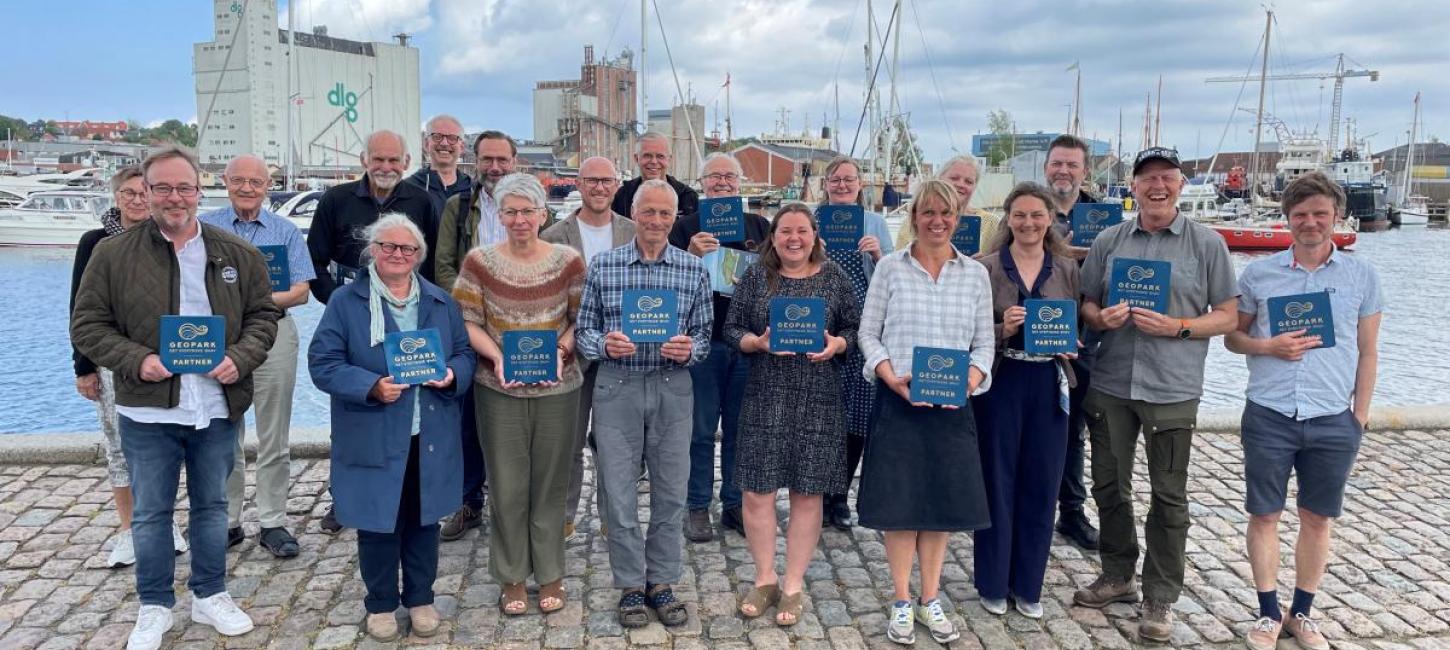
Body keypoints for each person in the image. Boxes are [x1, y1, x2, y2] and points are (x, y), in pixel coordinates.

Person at [71, 145, 280, 650]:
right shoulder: (112, 254)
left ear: (197, 190)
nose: (173, 197)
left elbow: (263, 318)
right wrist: (136, 359)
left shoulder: (237, 253)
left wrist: (241, 357)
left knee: (211, 507)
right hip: (146, 406)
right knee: (149, 513)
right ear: (146, 192)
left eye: (183, 187)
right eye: (161, 188)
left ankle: (209, 594)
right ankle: (155, 605)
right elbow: (87, 324)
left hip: (215, 403)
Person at [1072, 147, 1239, 643]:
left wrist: (1180, 327)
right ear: (1133, 186)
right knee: (1107, 484)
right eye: (1147, 179)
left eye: (1166, 177)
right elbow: (1086, 301)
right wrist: (1099, 318)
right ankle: (1118, 573)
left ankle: (1160, 594)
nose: (1157, 186)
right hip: (1111, 382)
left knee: (1169, 495)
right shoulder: (1108, 239)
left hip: (1173, 387)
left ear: (1181, 184)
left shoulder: (1207, 244)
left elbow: (1228, 315)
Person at [1226, 172, 1382, 650]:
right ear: (1287, 219)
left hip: (1333, 416)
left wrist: (1359, 416)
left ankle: (1304, 612)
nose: (1310, 223)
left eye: (1319, 214)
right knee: (1265, 514)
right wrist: (1267, 345)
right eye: (1300, 215)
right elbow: (1234, 339)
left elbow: (1369, 350)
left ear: (1336, 216)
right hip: (1271, 411)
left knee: (1317, 518)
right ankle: (1268, 611)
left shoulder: (1362, 275)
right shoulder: (1259, 274)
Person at [307, 214, 476, 642]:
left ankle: (420, 597)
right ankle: (380, 603)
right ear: (372, 251)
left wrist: (451, 376)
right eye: (388, 247)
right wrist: (370, 386)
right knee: (377, 523)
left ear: (419, 256)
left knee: (423, 523)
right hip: (374, 429)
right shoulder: (346, 302)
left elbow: (463, 356)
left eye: (407, 249)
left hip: (429, 431)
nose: (398, 255)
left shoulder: (440, 302)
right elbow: (323, 364)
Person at [856, 179, 993, 645]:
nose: (937, 221)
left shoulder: (974, 274)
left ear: (958, 218)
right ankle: (900, 599)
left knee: (939, 506)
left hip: (952, 407)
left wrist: (971, 381)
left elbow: (984, 345)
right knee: (901, 506)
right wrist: (890, 374)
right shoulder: (890, 269)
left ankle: (929, 597)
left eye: (946, 213)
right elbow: (867, 334)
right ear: (914, 216)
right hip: (899, 402)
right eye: (928, 212)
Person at [576, 179, 712, 628]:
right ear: (633, 213)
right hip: (619, 386)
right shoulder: (605, 265)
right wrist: (604, 344)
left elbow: (705, 337)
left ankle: (663, 582)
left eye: (665, 214)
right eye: (648, 212)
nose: (656, 221)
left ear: (675, 218)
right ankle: (631, 585)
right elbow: (584, 331)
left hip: (673, 386)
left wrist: (688, 350)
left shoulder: (693, 270)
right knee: (617, 492)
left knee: (672, 491)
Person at [452, 173, 587, 615]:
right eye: (510, 211)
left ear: (543, 213)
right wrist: (497, 358)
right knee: (507, 485)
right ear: (500, 216)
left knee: (551, 483)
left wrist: (561, 353)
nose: (520, 219)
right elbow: (468, 320)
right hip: (499, 390)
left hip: (557, 388)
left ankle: (549, 572)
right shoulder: (479, 262)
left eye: (528, 210)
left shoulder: (568, 260)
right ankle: (511, 575)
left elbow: (580, 319)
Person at [724, 203, 860, 626]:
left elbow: (856, 331)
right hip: (766, 393)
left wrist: (837, 345)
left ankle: (794, 583)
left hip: (818, 396)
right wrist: (756, 343)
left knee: (807, 492)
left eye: (802, 231)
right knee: (756, 493)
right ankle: (765, 577)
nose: (794, 238)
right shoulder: (755, 277)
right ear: (774, 236)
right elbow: (731, 329)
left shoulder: (835, 279)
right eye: (786, 231)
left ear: (815, 236)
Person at [307, 129, 439, 534]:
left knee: (406, 406)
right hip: (353, 313)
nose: (386, 168)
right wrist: (342, 306)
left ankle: (408, 491)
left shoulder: (421, 200)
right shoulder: (335, 200)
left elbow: (431, 263)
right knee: (353, 407)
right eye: (378, 160)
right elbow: (314, 261)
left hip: (406, 315)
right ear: (364, 160)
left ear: (406, 163)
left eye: (393, 161)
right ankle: (343, 498)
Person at [971, 182, 1081, 619]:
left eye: (1038, 215)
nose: (1029, 223)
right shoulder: (986, 268)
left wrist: (1071, 342)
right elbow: (973, 333)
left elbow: (1080, 327)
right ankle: (993, 581)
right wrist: (1004, 328)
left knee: (1042, 483)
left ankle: (1028, 584)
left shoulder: (1068, 268)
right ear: (1008, 219)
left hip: (1049, 382)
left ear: (1051, 219)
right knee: (997, 481)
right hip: (1002, 380)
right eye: (1020, 215)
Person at [70, 166, 188, 568]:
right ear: (116, 195)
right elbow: (80, 309)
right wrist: (82, 366)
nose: (137, 200)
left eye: (144, 192)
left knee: (162, 442)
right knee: (119, 445)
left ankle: (163, 521)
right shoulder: (96, 243)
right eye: (129, 193)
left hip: (163, 356)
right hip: (109, 359)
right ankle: (127, 529)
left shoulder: (169, 238)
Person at [200, 154, 314, 557]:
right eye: (239, 181)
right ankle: (227, 520)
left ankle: (272, 521)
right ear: (225, 182)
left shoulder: (285, 231)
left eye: (256, 182)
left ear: (269, 185)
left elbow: (301, 291)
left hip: (273, 333)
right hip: (221, 338)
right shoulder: (205, 227)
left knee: (274, 434)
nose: (247, 188)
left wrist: (250, 301)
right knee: (224, 432)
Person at [671, 152, 772, 541]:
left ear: (741, 182)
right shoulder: (684, 229)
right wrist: (689, 256)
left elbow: (779, 276)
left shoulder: (759, 225)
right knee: (698, 430)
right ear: (702, 183)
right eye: (715, 177)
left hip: (748, 343)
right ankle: (697, 505)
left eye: (730, 176)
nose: (723, 183)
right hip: (703, 343)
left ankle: (734, 504)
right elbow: (666, 282)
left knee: (741, 429)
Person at [541, 156, 636, 541]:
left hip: (619, 351)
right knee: (569, 442)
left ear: (617, 186)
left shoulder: (633, 232)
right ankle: (564, 516)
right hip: (571, 352)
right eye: (592, 180)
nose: (599, 187)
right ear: (579, 184)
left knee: (616, 444)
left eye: (606, 181)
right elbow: (546, 300)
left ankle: (613, 518)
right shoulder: (553, 236)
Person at [434, 129, 519, 541]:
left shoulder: (533, 207)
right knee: (467, 420)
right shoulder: (458, 206)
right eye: (488, 159)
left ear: (514, 162)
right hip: (469, 326)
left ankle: (515, 502)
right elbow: (444, 267)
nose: (495, 168)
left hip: (522, 327)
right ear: (475, 160)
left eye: (502, 160)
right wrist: (472, 309)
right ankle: (469, 501)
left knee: (516, 417)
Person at [818, 156, 894, 530]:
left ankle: (840, 496)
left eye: (850, 179)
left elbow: (894, 275)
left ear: (860, 184)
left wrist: (878, 254)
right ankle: (817, 496)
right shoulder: (813, 219)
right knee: (820, 412)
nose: (843, 185)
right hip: (819, 326)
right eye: (836, 179)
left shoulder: (875, 223)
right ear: (826, 183)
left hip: (862, 326)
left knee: (856, 417)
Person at [1043, 134, 1102, 550]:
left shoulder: (1104, 219)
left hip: (1088, 341)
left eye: (1072, 165)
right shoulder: (1031, 210)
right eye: (1057, 164)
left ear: (1085, 171)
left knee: (1073, 431)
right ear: (1047, 167)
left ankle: (1073, 511)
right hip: (1037, 337)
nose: (1063, 171)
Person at [893, 155, 999, 252]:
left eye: (968, 181)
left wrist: (984, 263)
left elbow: (998, 265)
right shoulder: (912, 222)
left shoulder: (990, 223)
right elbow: (898, 263)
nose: (961, 184)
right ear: (939, 179)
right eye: (954, 178)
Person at [610, 132, 700, 218]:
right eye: (647, 155)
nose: (654, 161)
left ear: (669, 159)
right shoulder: (622, 196)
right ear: (636, 158)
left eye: (660, 156)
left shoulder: (689, 197)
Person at [405, 114, 472, 216]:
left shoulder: (473, 190)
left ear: (462, 147)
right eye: (437, 137)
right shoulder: (409, 189)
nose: (445, 143)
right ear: (426, 144)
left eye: (452, 138)